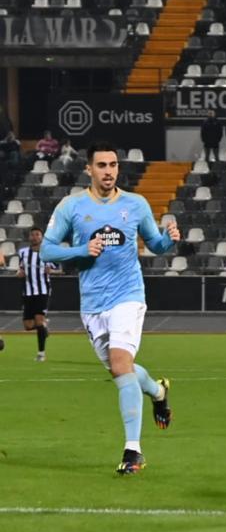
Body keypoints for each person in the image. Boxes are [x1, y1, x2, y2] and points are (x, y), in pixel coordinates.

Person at [40, 142, 179, 474]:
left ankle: (134, 451)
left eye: (113, 165)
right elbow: (46, 251)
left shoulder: (136, 204)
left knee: (120, 364)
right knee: (122, 370)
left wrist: (169, 238)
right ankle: (158, 391)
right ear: (89, 169)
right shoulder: (72, 207)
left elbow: (156, 245)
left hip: (128, 295)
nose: (109, 171)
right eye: (101, 165)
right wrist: (80, 250)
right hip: (92, 303)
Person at [16, 227, 61, 361]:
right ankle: (43, 328)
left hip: (43, 292)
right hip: (28, 292)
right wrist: (19, 273)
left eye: (37, 234)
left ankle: (41, 354)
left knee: (39, 320)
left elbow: (59, 270)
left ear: (42, 237)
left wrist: (52, 271)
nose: (34, 237)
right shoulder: (23, 252)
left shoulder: (48, 253)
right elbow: (20, 269)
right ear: (29, 237)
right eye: (32, 235)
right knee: (28, 326)